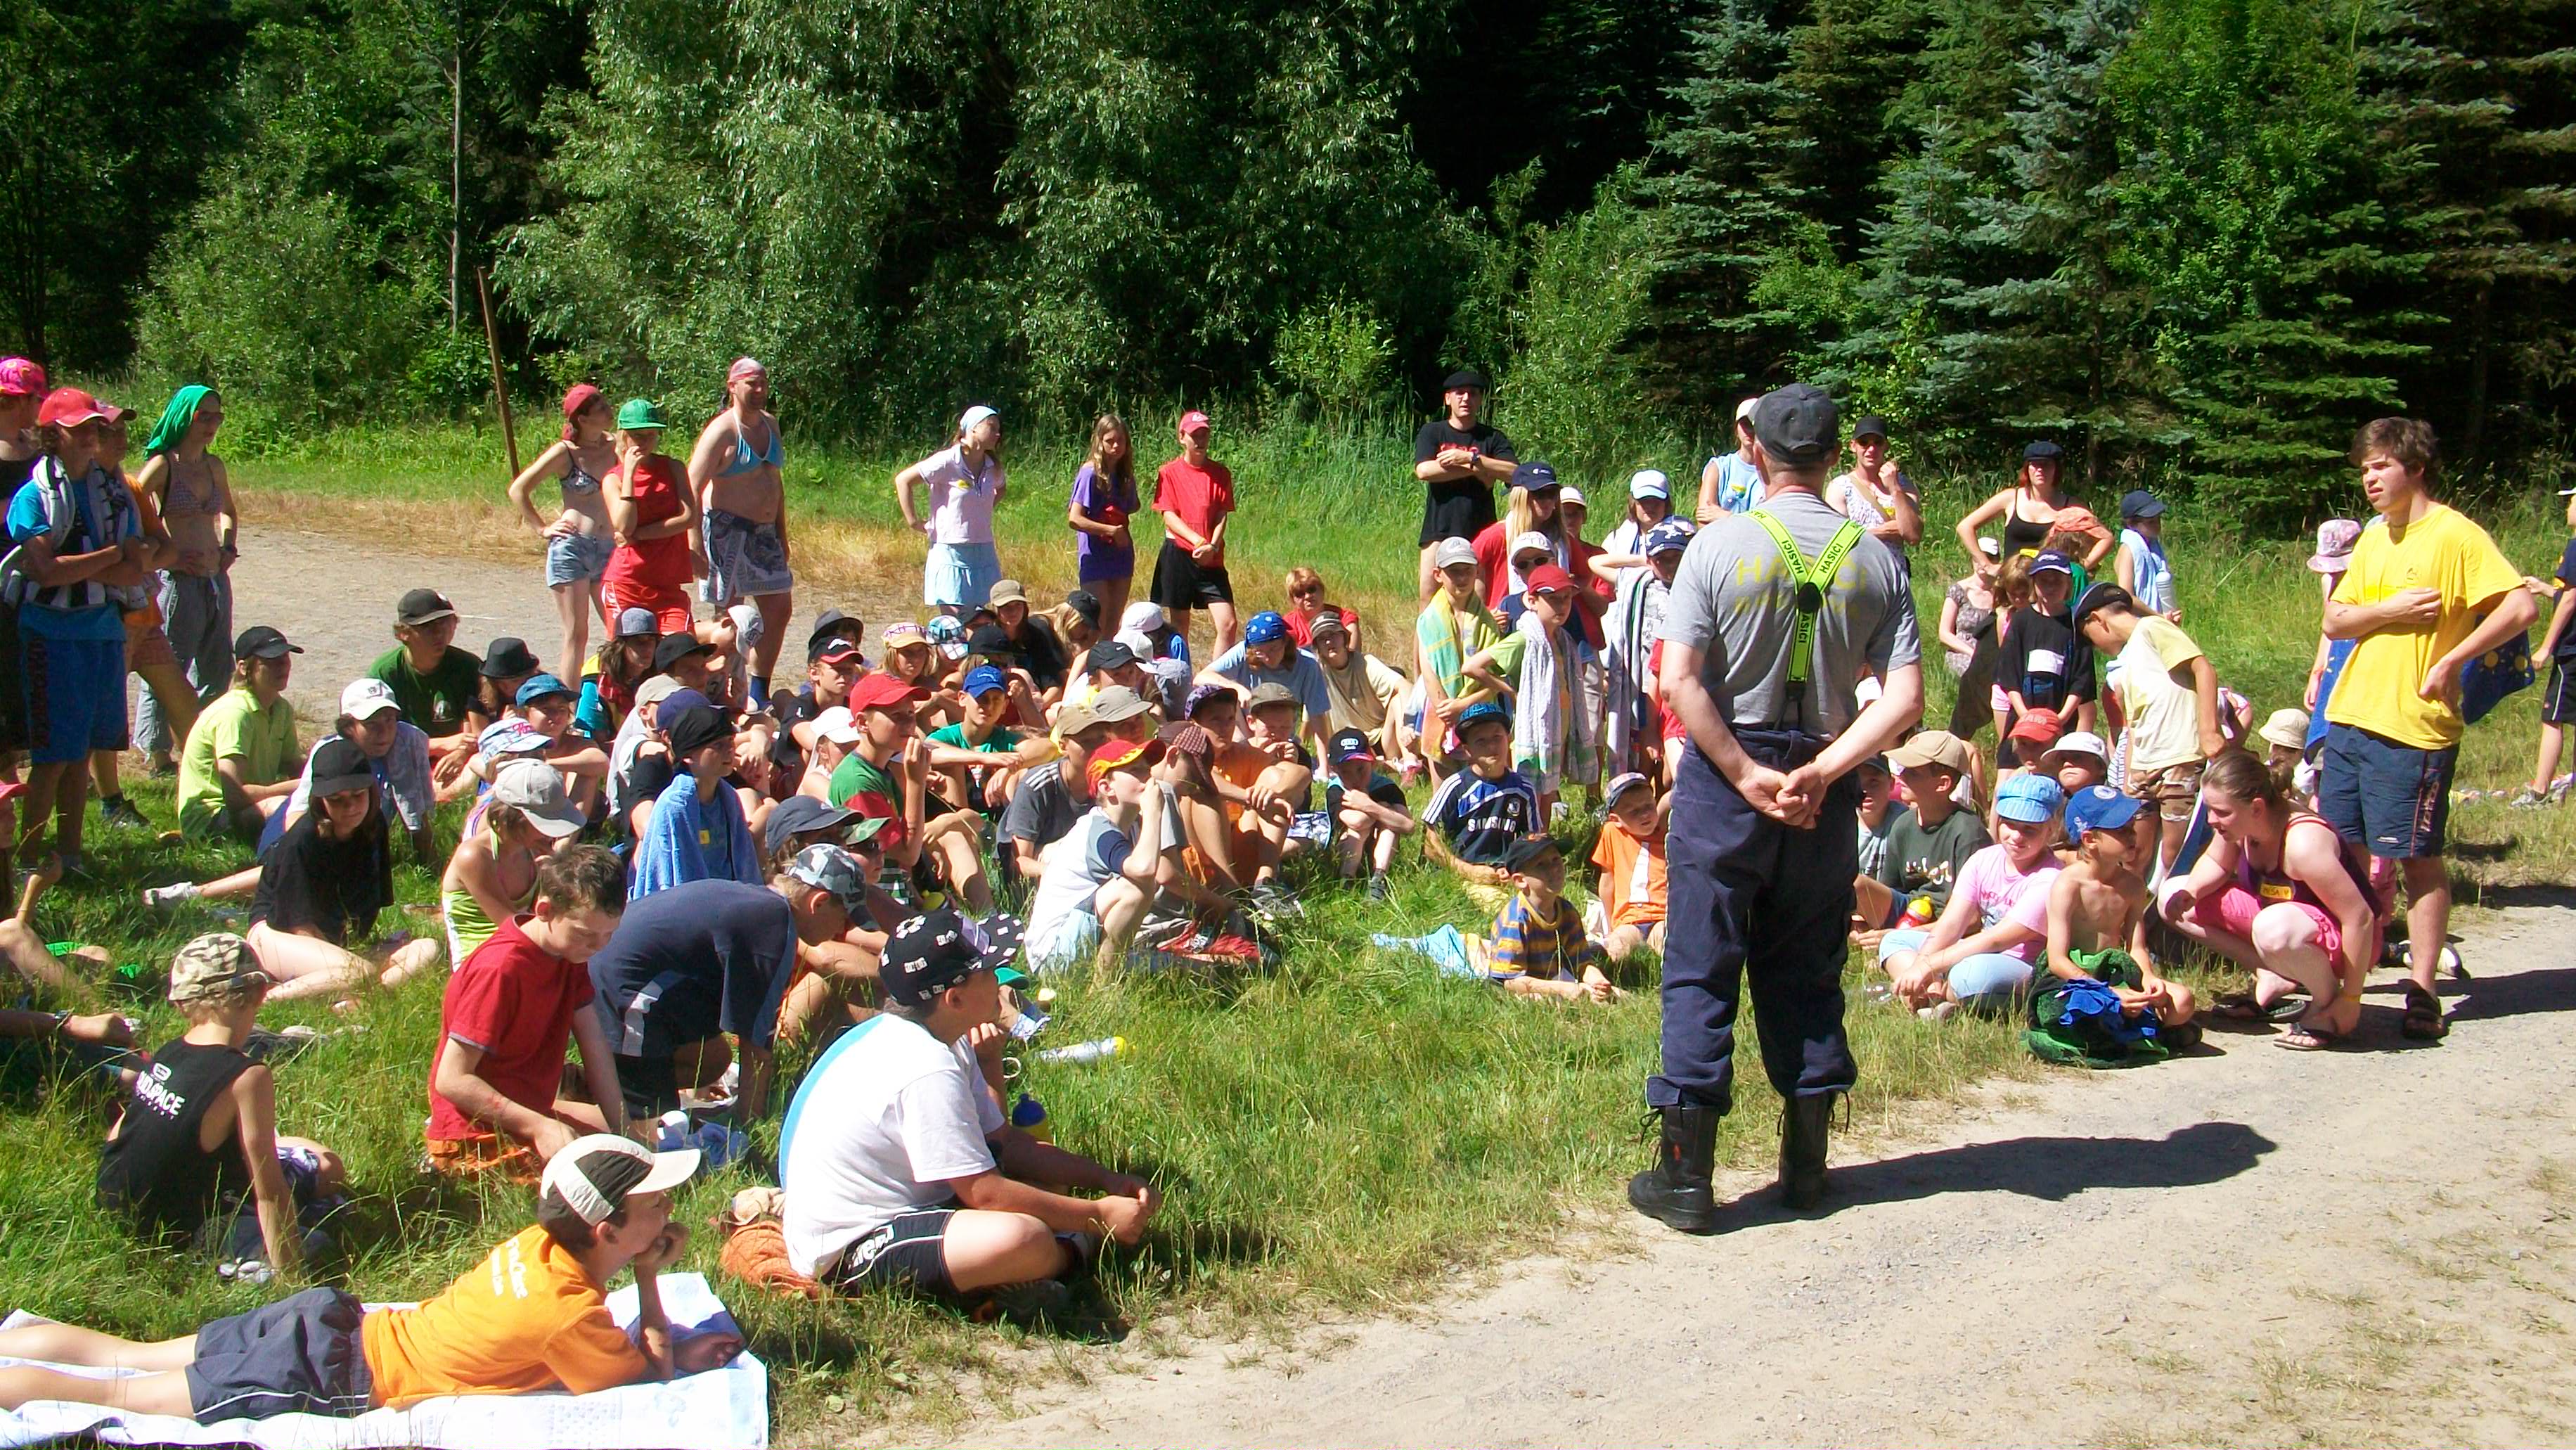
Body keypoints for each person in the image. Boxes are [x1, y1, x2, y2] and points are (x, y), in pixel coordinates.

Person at [1628, 383, 1921, 1236]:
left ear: (1753, 450)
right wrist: (1823, 770)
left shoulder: (1717, 546)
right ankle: (1806, 1167)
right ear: (1833, 456)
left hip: (1729, 775)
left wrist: (1744, 773)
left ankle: (1686, 1176)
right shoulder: (1877, 560)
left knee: (1701, 960)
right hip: (1823, 781)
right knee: (1807, 964)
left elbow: (1678, 679)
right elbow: (1904, 699)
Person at [1, 1136, 739, 1419]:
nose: (670, 1211)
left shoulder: (538, 1244)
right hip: (331, 1369)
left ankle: (19, 1338)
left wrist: (639, 1259)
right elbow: (642, 1374)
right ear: (607, 1231)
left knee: (130, 1354)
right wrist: (650, 1280)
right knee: (117, 1396)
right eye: (656, 1204)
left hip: (330, 1320)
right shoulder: (566, 1314)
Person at [778, 907, 1159, 1303]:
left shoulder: (945, 1038)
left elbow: (1004, 1142)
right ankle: (1067, 1253)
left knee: (1045, 1182)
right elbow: (985, 1193)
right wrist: (1097, 1217)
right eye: (990, 971)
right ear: (955, 998)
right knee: (1023, 1237)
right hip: (849, 1246)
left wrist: (1104, 1179)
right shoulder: (926, 1065)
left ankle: (1033, 1264)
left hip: (907, 1204)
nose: (1001, 979)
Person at [2317, 418, 2532, 1038]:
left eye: (2381, 466)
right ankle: (2345, 980)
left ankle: (2424, 989)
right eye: (2364, 468)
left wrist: (2451, 660)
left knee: (2416, 859)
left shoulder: (2455, 534)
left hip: (2414, 726)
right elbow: (2335, 620)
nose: (2370, 478)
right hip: (2350, 715)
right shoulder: (2374, 537)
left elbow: (2520, 606)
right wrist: (2389, 610)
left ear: (2414, 468)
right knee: (2344, 856)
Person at [97, 933, 344, 1274]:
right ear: (259, 992)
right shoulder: (247, 1076)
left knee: (296, 1150)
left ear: (183, 1002)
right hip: (183, 1228)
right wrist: (290, 1278)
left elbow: (120, 1133)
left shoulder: (170, 1051)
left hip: (116, 1205)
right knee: (327, 1170)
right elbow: (269, 1191)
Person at [587, 847, 870, 1122]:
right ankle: (583, 1099)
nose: (842, 929)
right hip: (627, 991)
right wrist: (751, 1123)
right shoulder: (774, 924)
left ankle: (605, 1081)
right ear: (818, 903)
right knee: (643, 1130)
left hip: (620, 976)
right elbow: (756, 1046)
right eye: (844, 917)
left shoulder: (758, 902)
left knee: (714, 1059)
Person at [6, 388, 148, 871]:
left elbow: (135, 570)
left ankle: (70, 855)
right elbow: (45, 571)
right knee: (53, 756)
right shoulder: (32, 496)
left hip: (102, 631)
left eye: (95, 427)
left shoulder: (115, 492)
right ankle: (29, 859)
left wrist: (89, 565)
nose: (91, 436)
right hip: (50, 635)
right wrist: (112, 556)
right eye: (79, 429)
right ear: (52, 435)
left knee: (84, 750)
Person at [429, 846, 632, 1176]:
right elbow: (451, 1079)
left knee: (629, 1143)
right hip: (473, 1134)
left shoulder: (570, 954)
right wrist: (538, 1126)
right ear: (545, 910)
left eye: (609, 935)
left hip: (527, 1114)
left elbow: (594, 1047)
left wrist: (628, 1134)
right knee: (597, 1181)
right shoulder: (501, 970)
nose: (599, 947)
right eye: (586, 935)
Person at [2161, 750, 2381, 1049]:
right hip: (2284, 926)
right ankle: (2272, 974)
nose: (2212, 820)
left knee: (2272, 926)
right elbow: (2217, 862)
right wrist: (2191, 893)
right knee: (2171, 895)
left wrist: (2352, 998)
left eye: (2221, 812)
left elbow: (2360, 918)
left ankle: (2329, 1003)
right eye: (2210, 810)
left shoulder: (2303, 844)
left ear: (2257, 808)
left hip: (2352, 940)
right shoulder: (2239, 825)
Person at [245, 737, 442, 1002]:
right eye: (337, 800)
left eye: (358, 795)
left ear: (371, 791)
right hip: (276, 934)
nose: (350, 807)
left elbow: (371, 905)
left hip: (334, 942)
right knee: (357, 972)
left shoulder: (375, 827)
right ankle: (267, 1000)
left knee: (427, 948)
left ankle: (363, 998)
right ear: (320, 801)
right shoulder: (303, 839)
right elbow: (298, 924)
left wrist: (350, 953)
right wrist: (345, 958)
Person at [1876, 774, 2064, 1017]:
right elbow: (1951, 923)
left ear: (2051, 829)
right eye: (2010, 824)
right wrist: (1923, 963)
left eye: (2030, 829)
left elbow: (1996, 940)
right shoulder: (1984, 859)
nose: (2017, 836)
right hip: (1976, 951)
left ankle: (1930, 994)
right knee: (1895, 940)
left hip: (2018, 963)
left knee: (1970, 974)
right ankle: (1930, 996)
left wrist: (1929, 965)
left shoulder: (2051, 879)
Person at [2070, 582, 2220, 872]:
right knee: (2132, 852)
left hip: (2178, 757)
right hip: (2142, 766)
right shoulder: (2127, 662)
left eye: (2090, 638)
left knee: (2176, 852)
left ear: (2098, 620)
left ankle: (2176, 896)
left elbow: (2202, 668)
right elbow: (2132, 726)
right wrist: (2128, 778)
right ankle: (2137, 901)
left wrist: (2209, 730)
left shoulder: (2152, 628)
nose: (2096, 647)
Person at [131, 385, 237, 777]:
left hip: (214, 579)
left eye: (217, 417)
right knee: (168, 664)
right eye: (203, 416)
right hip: (178, 581)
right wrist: (168, 550)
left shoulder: (214, 466)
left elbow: (229, 510)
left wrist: (229, 546)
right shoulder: (163, 465)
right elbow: (132, 504)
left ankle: (199, 741)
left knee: (218, 666)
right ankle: (157, 752)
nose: (211, 425)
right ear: (183, 417)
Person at [2041, 786, 2197, 1036]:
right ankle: (2138, 1030)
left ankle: (2131, 1025)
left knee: (2182, 1001)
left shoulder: (2133, 885)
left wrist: (2148, 979)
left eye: (2131, 827)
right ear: (2090, 840)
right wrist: (2105, 992)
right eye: (2121, 830)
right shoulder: (2068, 885)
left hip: (2114, 972)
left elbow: (2136, 948)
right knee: (2086, 1009)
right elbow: (2057, 960)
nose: (2132, 835)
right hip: (2076, 978)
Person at [686, 359, 793, 707]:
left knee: (779, 609)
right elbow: (692, 485)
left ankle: (759, 689)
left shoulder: (770, 424)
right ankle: (722, 690)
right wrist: (694, 542)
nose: (760, 390)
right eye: (752, 384)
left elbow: (774, 481)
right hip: (726, 531)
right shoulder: (722, 431)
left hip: (764, 534)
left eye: (763, 383)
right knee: (730, 620)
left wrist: (781, 533)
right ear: (732, 387)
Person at [1023, 737, 1168, 972]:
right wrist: (1154, 812)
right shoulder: (1099, 829)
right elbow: (1144, 870)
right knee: (1137, 887)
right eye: (1136, 771)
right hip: (1053, 956)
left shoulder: (1131, 827)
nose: (1148, 778)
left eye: (1148, 770)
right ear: (1106, 788)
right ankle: (1105, 985)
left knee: (1180, 967)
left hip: (1080, 940)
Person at [1463, 562, 1595, 814]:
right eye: (1553, 599)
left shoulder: (1562, 640)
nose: (1562, 606)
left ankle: (1542, 835)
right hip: (1535, 728)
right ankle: (1528, 834)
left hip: (1558, 725)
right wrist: (1511, 692)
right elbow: (1472, 667)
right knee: (1531, 792)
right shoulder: (1525, 639)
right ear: (1533, 601)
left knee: (1549, 790)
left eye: (1566, 598)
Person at [508, 385, 619, 681]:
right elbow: (518, 490)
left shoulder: (615, 446)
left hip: (609, 547)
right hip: (573, 547)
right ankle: (569, 702)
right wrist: (542, 528)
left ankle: (616, 696)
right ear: (582, 419)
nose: (609, 410)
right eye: (600, 408)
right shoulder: (564, 453)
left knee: (619, 629)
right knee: (577, 633)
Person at [442, 759, 586, 968]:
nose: (552, 834)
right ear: (516, 819)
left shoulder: (531, 850)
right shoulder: (474, 857)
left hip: (523, 950)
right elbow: (511, 927)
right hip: (484, 962)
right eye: (546, 823)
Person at [1853, 730, 1990, 940]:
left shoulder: (1968, 831)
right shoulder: (1903, 825)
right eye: (1903, 769)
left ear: (1943, 784)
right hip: (1910, 911)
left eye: (1913, 773)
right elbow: (1889, 891)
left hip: (1950, 919)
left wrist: (1901, 935)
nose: (1901, 776)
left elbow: (1972, 920)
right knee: (1857, 885)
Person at [173, 625, 301, 842]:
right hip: (211, 818)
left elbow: (294, 765)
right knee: (283, 807)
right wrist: (296, 788)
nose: (282, 666)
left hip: (250, 806)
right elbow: (234, 796)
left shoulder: (281, 709)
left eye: (285, 658)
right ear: (243, 668)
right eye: (270, 661)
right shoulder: (236, 713)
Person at [1468, 835, 1620, 1003]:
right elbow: (1510, 982)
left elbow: (1581, 962)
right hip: (1524, 984)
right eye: (1541, 865)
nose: (1554, 869)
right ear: (1520, 881)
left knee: (1611, 995)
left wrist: (1597, 980)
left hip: (1553, 976)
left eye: (1556, 860)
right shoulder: (1515, 920)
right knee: (1541, 1000)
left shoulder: (1567, 912)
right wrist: (1562, 988)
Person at [631, 704, 758, 899]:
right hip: (691, 903)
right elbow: (669, 878)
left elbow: (743, 862)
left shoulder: (729, 798)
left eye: (730, 741)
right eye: (718, 745)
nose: (729, 750)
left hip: (730, 899)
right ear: (688, 755)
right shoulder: (674, 807)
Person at [1412, 368, 1519, 599]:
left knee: (1479, 597)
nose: (1466, 399)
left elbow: (1514, 473)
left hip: (1481, 529)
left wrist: (1471, 458)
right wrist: (1477, 469)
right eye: (1459, 393)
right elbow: (1424, 470)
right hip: (1438, 527)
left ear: (1480, 400)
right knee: (1429, 595)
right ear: (1447, 399)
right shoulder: (1433, 432)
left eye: (1473, 393)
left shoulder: (1492, 437)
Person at [600, 398, 700, 637]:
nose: (645, 441)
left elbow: (688, 517)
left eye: (651, 435)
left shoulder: (673, 468)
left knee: (681, 646)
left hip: (668, 582)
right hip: (628, 581)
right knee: (628, 652)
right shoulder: (613, 479)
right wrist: (630, 474)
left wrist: (640, 535)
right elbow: (624, 526)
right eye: (637, 435)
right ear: (624, 436)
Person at [1602, 518, 1693, 778]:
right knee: (1644, 751)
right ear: (1651, 560)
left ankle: (1663, 799)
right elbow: (1596, 563)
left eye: (1676, 558)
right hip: (1645, 680)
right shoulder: (1641, 583)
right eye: (1662, 559)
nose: (1669, 566)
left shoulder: (1693, 590)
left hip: (1680, 679)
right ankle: (1642, 793)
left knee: (1670, 759)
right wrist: (1641, 561)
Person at [897, 404, 1007, 615]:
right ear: (973, 428)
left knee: (982, 616)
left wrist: (983, 508)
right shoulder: (947, 461)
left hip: (983, 549)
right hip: (950, 549)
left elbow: (1001, 489)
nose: (997, 434)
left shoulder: (992, 466)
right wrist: (914, 522)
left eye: (998, 429)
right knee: (956, 617)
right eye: (992, 427)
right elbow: (903, 480)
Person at [1422, 700, 1544, 888]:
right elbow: (1430, 845)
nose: (1491, 746)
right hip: (1461, 873)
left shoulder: (1524, 789)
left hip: (1504, 875)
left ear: (1509, 739)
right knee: (1495, 903)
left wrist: (1513, 868)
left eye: (1497, 737)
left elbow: (1533, 840)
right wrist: (1468, 871)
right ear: (1467, 750)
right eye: (1481, 741)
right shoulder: (1455, 786)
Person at [1150, 409, 1240, 653]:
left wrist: (1213, 545)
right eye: (1194, 435)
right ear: (1182, 437)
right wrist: (1198, 541)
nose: (1200, 441)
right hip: (1179, 554)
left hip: (1211, 557)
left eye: (1204, 435)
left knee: (1228, 624)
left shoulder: (1221, 474)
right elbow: (1168, 515)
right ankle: (1183, 672)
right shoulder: (1169, 472)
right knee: (1180, 626)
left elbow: (1222, 513)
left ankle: (1215, 674)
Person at [1414, 537, 1505, 771]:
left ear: (1477, 572)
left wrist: (1463, 705)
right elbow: (1428, 672)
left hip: (1480, 711)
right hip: (1441, 711)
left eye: (1467, 571)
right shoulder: (1428, 620)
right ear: (1438, 574)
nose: (1462, 578)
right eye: (1454, 572)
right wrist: (1446, 709)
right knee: (1444, 785)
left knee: (1482, 778)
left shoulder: (1488, 622)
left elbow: (1496, 679)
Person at [1995, 551, 2094, 755]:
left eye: (2057, 581)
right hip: (2022, 717)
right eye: (2043, 581)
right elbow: (2009, 674)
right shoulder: (2021, 621)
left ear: (2068, 584)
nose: (2050, 587)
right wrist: (2026, 716)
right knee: (2009, 770)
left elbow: (2082, 680)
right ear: (2033, 584)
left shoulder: (2076, 624)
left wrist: (2061, 718)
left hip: (2061, 719)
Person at [0, 359, 47, 766]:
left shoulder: (36, 446)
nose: (38, 406)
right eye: (34, 398)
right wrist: (22, 508)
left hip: (36, 565)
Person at [1955, 440, 2101, 570]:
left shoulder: (2071, 506)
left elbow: (2105, 538)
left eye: (2046, 465)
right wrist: (1986, 565)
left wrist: (2081, 568)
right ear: (2027, 469)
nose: (2040, 470)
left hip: (2051, 585)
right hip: (2012, 584)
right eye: (2035, 465)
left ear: (2056, 469)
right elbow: (1965, 527)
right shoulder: (2010, 498)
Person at [369, 588, 482, 755]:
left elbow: (477, 728)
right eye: (427, 627)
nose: (439, 633)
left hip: (457, 757)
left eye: (445, 623)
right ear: (403, 633)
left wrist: (461, 753)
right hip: (404, 759)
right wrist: (438, 745)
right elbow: (375, 739)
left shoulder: (469, 666)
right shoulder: (386, 673)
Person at [2513, 509, 2576, 808]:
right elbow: (2568, 595)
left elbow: (2572, 599)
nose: (2567, 508)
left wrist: (2547, 647)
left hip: (2571, 651)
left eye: (2572, 501)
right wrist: (2547, 589)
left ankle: (2539, 792)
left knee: (2553, 718)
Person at [1202, 610, 1332, 751]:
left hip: (1282, 736)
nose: (1268, 657)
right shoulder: (1242, 652)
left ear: (1285, 641)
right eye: (1260, 652)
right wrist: (1236, 688)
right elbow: (1203, 677)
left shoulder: (1307, 664)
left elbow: (1317, 717)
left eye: (1273, 649)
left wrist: (1324, 763)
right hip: (1244, 733)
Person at [1308, 612, 1416, 778]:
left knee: (1397, 701)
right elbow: (1314, 719)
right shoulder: (1316, 674)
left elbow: (1406, 686)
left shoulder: (1366, 663)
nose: (1329, 642)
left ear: (1344, 638)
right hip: (1347, 744)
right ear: (1317, 647)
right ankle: (1388, 765)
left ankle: (1410, 762)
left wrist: (1408, 726)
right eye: (1322, 639)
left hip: (1383, 739)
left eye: (1333, 635)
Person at [1322, 726, 1412, 899]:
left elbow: (1408, 826)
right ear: (1335, 769)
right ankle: (1347, 879)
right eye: (1346, 772)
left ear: (1373, 763)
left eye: (1361, 769)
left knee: (1390, 827)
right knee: (1358, 829)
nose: (1355, 778)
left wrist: (1370, 806)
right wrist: (1381, 809)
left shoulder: (1386, 787)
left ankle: (1379, 878)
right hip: (1346, 849)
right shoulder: (1336, 790)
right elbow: (1358, 822)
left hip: (1381, 850)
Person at [1068, 414, 1141, 625]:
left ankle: (1111, 649)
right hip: (1094, 555)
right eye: (1110, 441)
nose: (1116, 446)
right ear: (1099, 442)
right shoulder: (1090, 473)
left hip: (1121, 553)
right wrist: (1110, 530)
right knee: (1095, 621)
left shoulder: (1125, 475)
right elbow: (1075, 519)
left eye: (1121, 441)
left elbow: (1133, 506)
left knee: (1114, 622)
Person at [1825, 416, 1922, 566]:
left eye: (1878, 443)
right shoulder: (1840, 488)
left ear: (1886, 446)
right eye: (1864, 443)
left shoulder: (1903, 485)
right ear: (1853, 446)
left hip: (1895, 574)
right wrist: (1883, 532)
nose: (1871, 449)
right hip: (1858, 574)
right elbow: (1836, 541)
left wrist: (1895, 489)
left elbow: (1913, 535)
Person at [1591, 771, 1668, 961]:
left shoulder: (1667, 834)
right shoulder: (1612, 833)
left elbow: (1671, 798)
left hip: (1662, 915)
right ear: (1616, 820)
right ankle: (1603, 967)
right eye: (1634, 812)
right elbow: (1607, 882)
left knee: (1667, 941)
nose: (1645, 814)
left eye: (1649, 806)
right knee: (1618, 946)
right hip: (1628, 918)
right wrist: (1611, 924)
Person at [1471, 463, 1566, 611]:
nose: (1548, 501)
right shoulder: (1497, 535)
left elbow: (1584, 574)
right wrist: (1483, 614)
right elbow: (1469, 571)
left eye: (1552, 494)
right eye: (1540, 494)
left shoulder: (1561, 539)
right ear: (1521, 497)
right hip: (1505, 618)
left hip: (1551, 617)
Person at [1937, 539, 2004, 740]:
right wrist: (1971, 652)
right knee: (1974, 672)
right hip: (1962, 650)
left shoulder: (2002, 592)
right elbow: (1944, 633)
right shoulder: (1959, 590)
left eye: (1990, 558)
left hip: (1991, 651)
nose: (1983, 562)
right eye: (1978, 557)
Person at [1591, 469, 1675, 584]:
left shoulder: (1683, 533)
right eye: (1644, 501)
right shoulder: (1616, 539)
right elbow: (1596, 565)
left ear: (1666, 503)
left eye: (1656, 501)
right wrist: (1646, 561)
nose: (1650, 507)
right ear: (1633, 504)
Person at [1695, 397, 1764, 522]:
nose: (1750, 430)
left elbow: (1766, 524)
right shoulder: (1718, 468)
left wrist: (1726, 516)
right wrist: (1747, 520)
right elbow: (1703, 520)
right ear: (1736, 429)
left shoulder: (1773, 472)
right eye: (1745, 424)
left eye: (1755, 425)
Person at [2114, 490, 2177, 620]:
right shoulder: (2128, 550)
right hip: (2141, 623)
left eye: (2158, 519)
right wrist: (2159, 617)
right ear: (2131, 524)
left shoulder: (2153, 548)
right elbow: (2127, 597)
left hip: (2159, 620)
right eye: (2151, 522)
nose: (2157, 525)